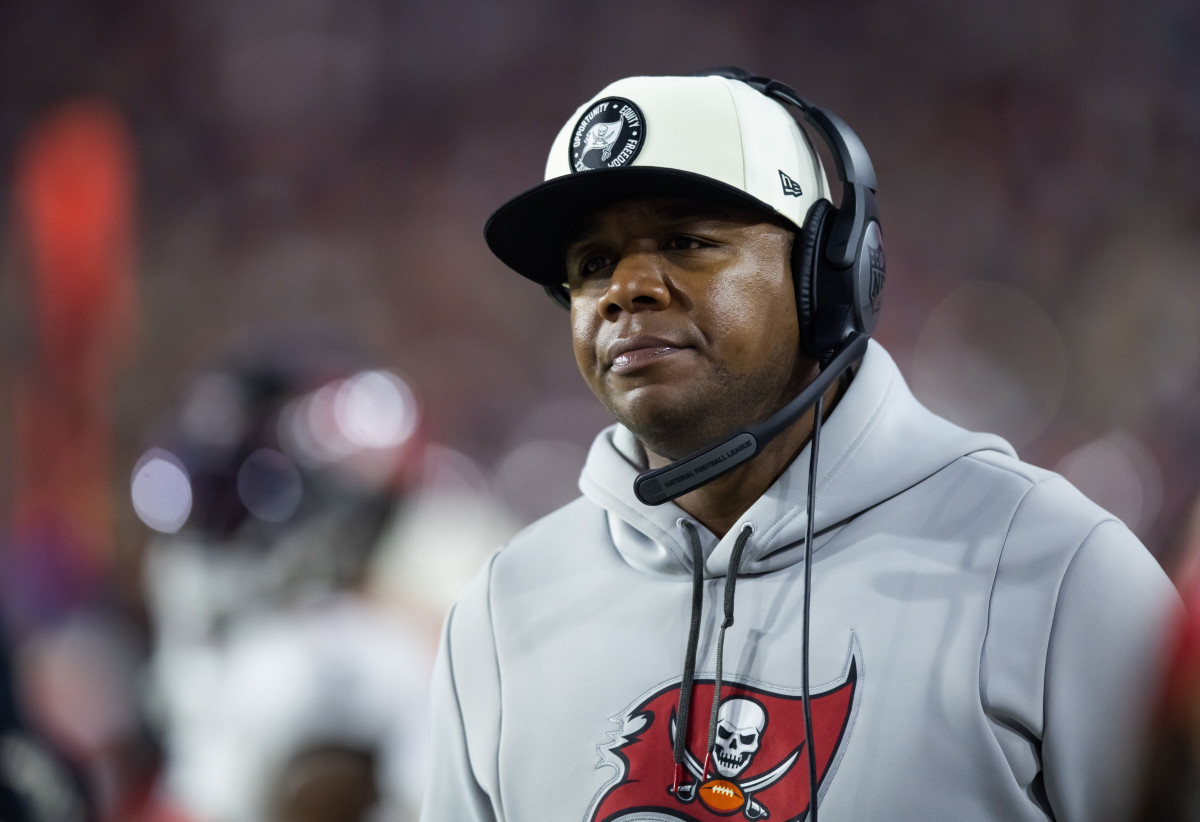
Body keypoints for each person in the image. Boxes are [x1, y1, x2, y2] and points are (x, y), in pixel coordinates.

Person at [420, 69, 1181, 822]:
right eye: (592, 265)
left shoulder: (1054, 565)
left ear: (827, 275)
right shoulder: (499, 611)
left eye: (685, 241)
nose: (626, 288)